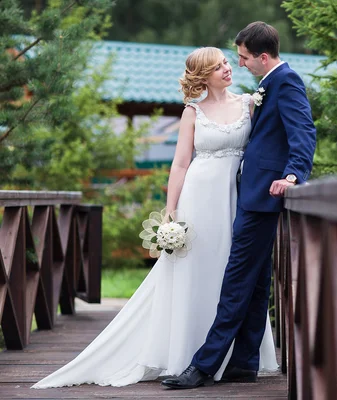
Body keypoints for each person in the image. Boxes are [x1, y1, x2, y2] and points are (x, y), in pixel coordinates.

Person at [31, 46, 279, 389]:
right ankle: (189, 353)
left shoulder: (249, 103)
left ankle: (233, 356)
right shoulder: (192, 112)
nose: (227, 68)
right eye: (218, 65)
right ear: (203, 75)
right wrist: (171, 213)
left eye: (226, 63)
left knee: (231, 270)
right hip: (199, 197)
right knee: (196, 269)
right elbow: (180, 164)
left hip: (237, 197)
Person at [161, 21, 317, 390]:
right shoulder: (267, 85)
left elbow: (304, 132)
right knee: (257, 280)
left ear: (262, 57)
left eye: (244, 58)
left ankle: (203, 364)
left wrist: (294, 175)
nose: (240, 64)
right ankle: (244, 362)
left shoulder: (285, 81)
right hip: (248, 194)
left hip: (263, 194)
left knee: (235, 281)